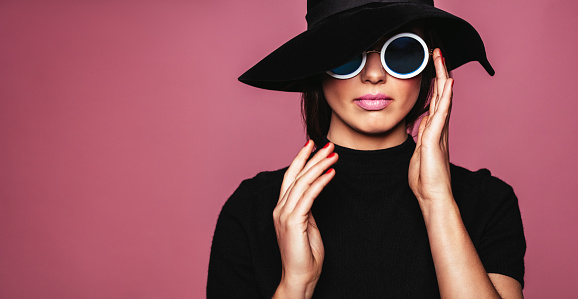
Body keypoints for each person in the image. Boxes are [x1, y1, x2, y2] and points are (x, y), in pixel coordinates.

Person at [207, 0, 526, 298]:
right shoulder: (252, 210)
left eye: (401, 52)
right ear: (319, 65)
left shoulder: (488, 202)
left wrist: (437, 203)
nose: (373, 75)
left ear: (430, 63)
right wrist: (295, 285)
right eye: (347, 54)